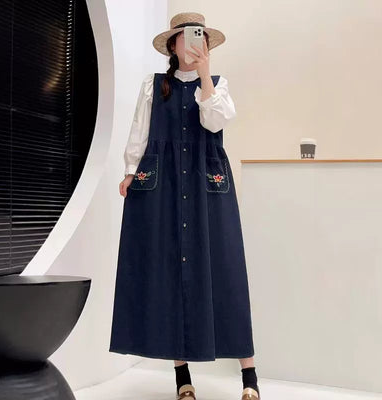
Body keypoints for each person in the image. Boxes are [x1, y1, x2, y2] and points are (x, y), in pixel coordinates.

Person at [109, 11, 260, 400]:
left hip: (207, 181)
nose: (196, 44)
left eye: (202, 38)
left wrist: (205, 75)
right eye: (190, 37)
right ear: (173, 45)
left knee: (224, 269)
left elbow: (216, 122)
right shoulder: (153, 85)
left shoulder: (217, 86)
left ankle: (249, 376)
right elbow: (140, 130)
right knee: (168, 269)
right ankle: (182, 376)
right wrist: (130, 170)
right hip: (163, 181)